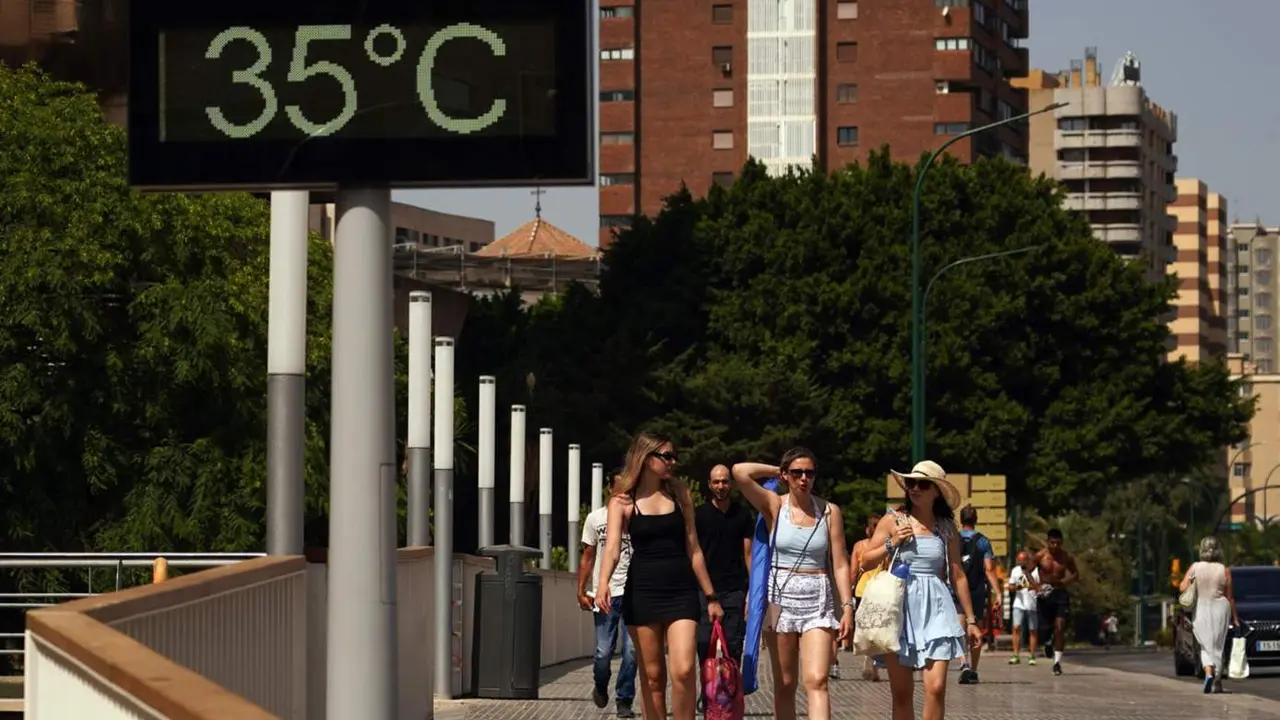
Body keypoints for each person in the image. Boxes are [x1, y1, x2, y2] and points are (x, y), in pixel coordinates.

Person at [596, 431, 722, 720]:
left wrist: (711, 596)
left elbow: (694, 549)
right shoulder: (623, 502)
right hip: (642, 592)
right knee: (653, 678)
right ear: (646, 457)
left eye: (674, 456)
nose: (672, 462)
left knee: (684, 669)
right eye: (666, 456)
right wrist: (603, 583)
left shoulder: (680, 494)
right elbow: (613, 548)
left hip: (681, 591)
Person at [732, 448, 854, 720]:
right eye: (797, 472)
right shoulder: (775, 505)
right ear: (787, 475)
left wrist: (847, 606)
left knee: (817, 680)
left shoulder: (830, 512)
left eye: (809, 473)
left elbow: (840, 563)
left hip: (818, 598)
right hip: (779, 600)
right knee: (785, 684)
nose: (803, 478)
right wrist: (777, 470)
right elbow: (739, 472)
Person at [862, 460, 982, 720]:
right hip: (899, 607)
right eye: (911, 483)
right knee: (902, 694)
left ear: (937, 490)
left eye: (923, 484)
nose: (915, 488)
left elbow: (957, 574)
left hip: (937, 607)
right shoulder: (893, 519)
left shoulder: (947, 527)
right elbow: (865, 561)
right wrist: (892, 542)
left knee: (936, 688)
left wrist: (971, 620)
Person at [577, 468, 637, 718]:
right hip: (606, 593)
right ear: (610, 490)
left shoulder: (639, 516)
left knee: (632, 652)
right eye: (619, 489)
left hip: (634, 592)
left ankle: (624, 700)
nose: (624, 495)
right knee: (603, 652)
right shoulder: (596, 518)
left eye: (628, 489)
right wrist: (581, 590)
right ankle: (600, 684)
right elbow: (588, 556)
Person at [694, 464, 754, 710]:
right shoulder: (699, 515)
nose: (720, 486)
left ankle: (729, 692)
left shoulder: (742, 515)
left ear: (731, 484)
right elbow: (694, 553)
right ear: (709, 485)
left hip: (734, 590)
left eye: (725, 481)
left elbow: (748, 554)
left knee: (732, 646)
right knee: (703, 644)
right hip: (704, 590)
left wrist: (752, 593)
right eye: (716, 482)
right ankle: (707, 689)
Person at [1179, 536, 1240, 693]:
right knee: (1218, 645)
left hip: (1201, 608)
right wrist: (1235, 618)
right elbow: (1229, 597)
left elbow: (1182, 587)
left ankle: (1208, 673)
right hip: (1221, 609)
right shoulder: (1224, 570)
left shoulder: (1195, 567)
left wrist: (1194, 582)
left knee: (1205, 645)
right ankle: (1218, 681)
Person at [956, 505, 1000, 684]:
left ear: (961, 520)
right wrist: (998, 593)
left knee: (960, 627)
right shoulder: (983, 541)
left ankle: (963, 662)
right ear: (976, 520)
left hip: (957, 589)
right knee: (976, 629)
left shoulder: (954, 539)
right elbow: (989, 570)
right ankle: (973, 669)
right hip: (977, 590)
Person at [1033, 528, 1078, 676]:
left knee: (1060, 627)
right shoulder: (1040, 555)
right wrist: (1036, 586)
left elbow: (1076, 573)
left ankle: (1057, 663)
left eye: (1058, 543)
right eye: (1052, 543)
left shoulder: (1065, 557)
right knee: (1043, 629)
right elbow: (1027, 570)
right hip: (1045, 595)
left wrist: (1065, 582)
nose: (1055, 546)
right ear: (1048, 542)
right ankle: (1047, 642)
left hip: (1060, 594)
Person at [850, 512, 885, 682]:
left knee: (864, 628)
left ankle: (867, 658)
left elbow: (854, 570)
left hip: (862, 591)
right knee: (877, 630)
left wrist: (850, 586)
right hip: (878, 590)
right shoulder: (884, 546)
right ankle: (874, 664)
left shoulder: (859, 546)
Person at [1005, 550, 1041, 665]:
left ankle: (1032, 656)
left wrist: (1032, 585)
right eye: (1019, 560)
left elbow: (1038, 586)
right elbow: (1010, 586)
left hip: (1032, 604)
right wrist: (1017, 586)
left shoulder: (1035, 571)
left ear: (1028, 560)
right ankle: (1016, 655)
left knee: (1033, 630)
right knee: (1016, 627)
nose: (1022, 562)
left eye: (1024, 560)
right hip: (1019, 604)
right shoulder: (1015, 571)